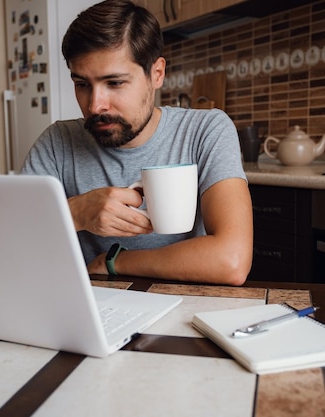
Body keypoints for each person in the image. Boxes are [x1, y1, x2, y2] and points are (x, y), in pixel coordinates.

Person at [20, 0, 252, 285]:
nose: (95, 105)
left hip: (186, 308)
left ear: (156, 74)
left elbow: (232, 260)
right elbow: (9, 243)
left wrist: (114, 262)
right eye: (82, 84)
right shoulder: (58, 142)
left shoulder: (206, 130)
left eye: (114, 83)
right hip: (93, 311)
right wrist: (76, 212)